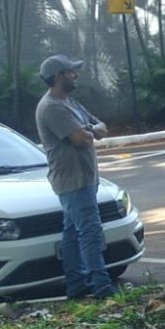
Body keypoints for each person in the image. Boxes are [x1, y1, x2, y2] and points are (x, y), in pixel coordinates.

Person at [34, 54, 117, 300]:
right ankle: (102, 288)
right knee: (90, 232)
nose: (75, 75)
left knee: (72, 232)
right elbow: (81, 139)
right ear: (58, 76)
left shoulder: (70, 102)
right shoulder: (51, 107)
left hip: (85, 178)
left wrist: (89, 129)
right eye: (71, 71)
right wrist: (90, 131)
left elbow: (100, 126)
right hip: (72, 181)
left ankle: (77, 286)